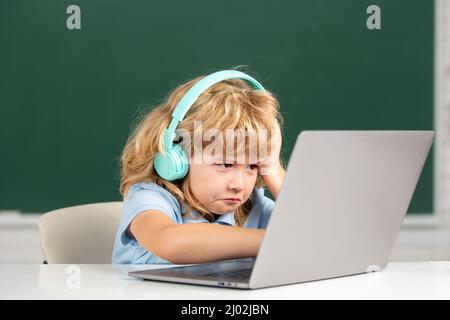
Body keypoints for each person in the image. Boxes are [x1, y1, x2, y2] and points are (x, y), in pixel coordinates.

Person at [112, 69, 285, 264]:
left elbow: (318, 229)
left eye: (253, 166)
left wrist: (273, 169)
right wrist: (274, 241)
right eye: (226, 164)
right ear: (179, 156)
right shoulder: (150, 197)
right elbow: (170, 242)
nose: (239, 184)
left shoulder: (251, 207)